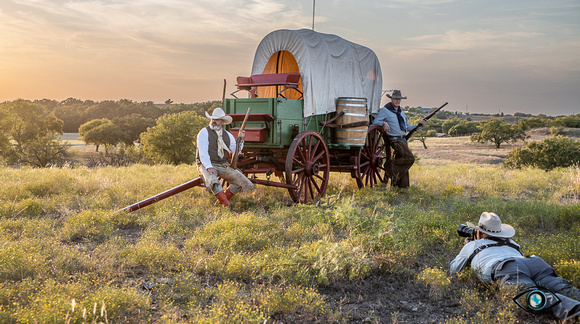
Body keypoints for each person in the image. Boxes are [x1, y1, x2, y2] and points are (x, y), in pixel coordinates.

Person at [450, 212, 580, 321]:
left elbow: (454, 270)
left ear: (478, 233)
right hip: (534, 263)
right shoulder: (512, 243)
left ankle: (575, 312)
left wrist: (467, 247)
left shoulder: (472, 245)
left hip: (507, 267)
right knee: (563, 288)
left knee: (530, 295)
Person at [196, 107, 255, 207]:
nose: (214, 121)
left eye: (217, 120)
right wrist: (209, 167)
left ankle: (220, 204)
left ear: (222, 122)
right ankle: (227, 206)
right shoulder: (204, 133)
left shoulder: (228, 135)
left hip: (222, 165)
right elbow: (203, 153)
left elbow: (235, 151)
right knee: (214, 182)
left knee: (243, 183)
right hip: (205, 164)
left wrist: (240, 140)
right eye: (213, 119)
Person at [371, 90, 425, 188]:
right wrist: (383, 123)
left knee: (403, 164)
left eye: (399, 99)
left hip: (403, 140)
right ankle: (389, 165)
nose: (397, 101)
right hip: (394, 140)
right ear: (391, 99)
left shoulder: (401, 112)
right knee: (410, 158)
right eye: (395, 99)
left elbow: (407, 127)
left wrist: (419, 125)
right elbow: (375, 122)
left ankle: (400, 188)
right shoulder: (385, 110)